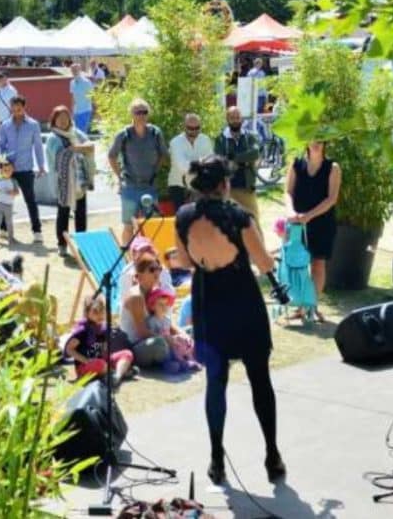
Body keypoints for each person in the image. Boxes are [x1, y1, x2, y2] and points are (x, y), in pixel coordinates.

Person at [174, 155, 283, 485]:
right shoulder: (239, 217)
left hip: (208, 299)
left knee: (215, 382)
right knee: (259, 379)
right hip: (242, 299)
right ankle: (272, 455)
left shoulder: (182, 217)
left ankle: (217, 459)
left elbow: (183, 261)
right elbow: (264, 263)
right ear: (224, 184)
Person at [286, 140, 340, 322]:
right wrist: (291, 212)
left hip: (322, 222)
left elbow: (332, 199)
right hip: (297, 222)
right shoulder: (296, 164)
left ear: (325, 144)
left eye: (319, 141)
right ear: (306, 143)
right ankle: (300, 306)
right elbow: (288, 192)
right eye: (312, 140)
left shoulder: (333, 167)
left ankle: (311, 305)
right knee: (297, 265)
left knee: (318, 264)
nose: (316, 144)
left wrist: (309, 216)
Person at [107, 98, 169, 245]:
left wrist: (155, 170)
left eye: (144, 112)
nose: (141, 115)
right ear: (132, 114)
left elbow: (164, 155)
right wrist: (119, 176)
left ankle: (152, 258)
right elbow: (111, 156)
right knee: (128, 225)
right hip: (130, 186)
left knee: (152, 224)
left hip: (150, 186)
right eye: (138, 112)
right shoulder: (124, 134)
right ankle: (128, 258)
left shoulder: (155, 133)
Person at [0, 95, 45, 243]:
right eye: (14, 109)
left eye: (19, 109)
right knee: (5, 199)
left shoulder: (33, 125)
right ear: (11, 108)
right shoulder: (5, 125)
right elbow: (0, 144)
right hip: (8, 168)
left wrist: (41, 166)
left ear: (24, 107)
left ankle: (37, 231)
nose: (16, 112)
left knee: (30, 200)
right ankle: (4, 229)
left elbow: (38, 146)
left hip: (25, 168)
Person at [47, 105, 94, 255]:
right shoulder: (53, 138)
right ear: (54, 120)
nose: (63, 121)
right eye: (59, 118)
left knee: (81, 214)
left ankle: (83, 245)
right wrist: (78, 149)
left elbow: (90, 146)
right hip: (64, 183)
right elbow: (56, 159)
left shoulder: (76, 133)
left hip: (80, 180)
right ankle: (62, 245)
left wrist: (74, 149)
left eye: (65, 118)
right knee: (63, 213)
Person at [64, 294, 136, 387]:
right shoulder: (82, 331)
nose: (100, 315)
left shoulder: (103, 328)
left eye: (102, 311)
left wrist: (108, 356)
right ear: (87, 313)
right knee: (100, 364)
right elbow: (69, 349)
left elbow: (104, 350)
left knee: (127, 353)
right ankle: (116, 373)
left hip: (101, 361)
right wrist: (86, 361)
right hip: (85, 366)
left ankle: (117, 377)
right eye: (95, 312)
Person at [119, 256, 175, 369]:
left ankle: (176, 355)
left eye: (159, 268)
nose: (157, 272)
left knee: (190, 331)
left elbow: (164, 321)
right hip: (136, 346)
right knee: (159, 343)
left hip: (153, 336)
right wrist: (169, 339)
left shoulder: (154, 292)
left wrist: (181, 335)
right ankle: (175, 357)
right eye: (152, 269)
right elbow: (142, 332)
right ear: (139, 276)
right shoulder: (136, 296)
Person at [214, 106, 261, 227]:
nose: (235, 120)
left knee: (254, 221)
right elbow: (220, 160)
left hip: (247, 187)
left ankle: (258, 246)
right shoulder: (220, 139)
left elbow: (255, 153)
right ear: (227, 119)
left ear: (241, 118)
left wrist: (233, 158)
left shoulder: (250, 136)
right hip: (228, 189)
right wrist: (244, 161)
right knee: (230, 224)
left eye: (237, 117)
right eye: (232, 118)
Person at [168, 112, 214, 211]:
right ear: (184, 127)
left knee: (202, 220)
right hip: (179, 187)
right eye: (190, 128)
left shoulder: (205, 140)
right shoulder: (175, 142)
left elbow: (211, 163)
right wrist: (202, 162)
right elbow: (182, 167)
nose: (193, 131)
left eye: (197, 128)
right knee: (183, 221)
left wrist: (196, 164)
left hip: (200, 187)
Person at [145, 288, 197, 373]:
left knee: (182, 340)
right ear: (153, 306)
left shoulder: (167, 320)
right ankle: (176, 363)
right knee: (169, 355)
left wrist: (176, 339)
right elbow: (151, 335)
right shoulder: (152, 321)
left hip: (171, 344)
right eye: (160, 305)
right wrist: (166, 338)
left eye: (166, 304)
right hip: (163, 346)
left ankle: (189, 359)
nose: (164, 307)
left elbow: (169, 332)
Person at [0, 159, 19, 244]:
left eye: (9, 170)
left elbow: (17, 192)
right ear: (1, 171)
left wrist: (12, 193)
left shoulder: (13, 181)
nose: (7, 172)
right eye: (5, 170)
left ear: (12, 170)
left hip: (9, 205)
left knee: (9, 222)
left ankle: (11, 238)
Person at [69, 63, 95, 133]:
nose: (74, 72)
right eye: (72, 70)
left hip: (85, 110)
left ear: (80, 70)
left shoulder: (87, 82)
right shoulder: (72, 83)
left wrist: (95, 111)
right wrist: (72, 111)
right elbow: (73, 97)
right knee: (77, 132)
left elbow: (92, 96)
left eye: (75, 70)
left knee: (83, 132)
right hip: (76, 111)